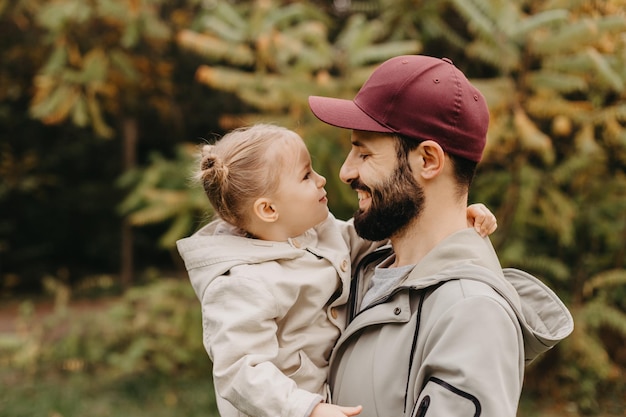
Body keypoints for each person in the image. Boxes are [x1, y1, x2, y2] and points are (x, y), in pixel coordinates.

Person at [308, 55, 574, 417]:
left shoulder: (471, 314)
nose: (345, 171)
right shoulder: (361, 268)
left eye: (364, 152)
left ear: (429, 160)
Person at [176, 123, 498, 417]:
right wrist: (308, 410)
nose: (323, 179)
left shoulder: (319, 234)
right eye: (306, 176)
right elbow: (239, 372)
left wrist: (454, 218)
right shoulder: (241, 282)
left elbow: (378, 236)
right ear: (269, 209)